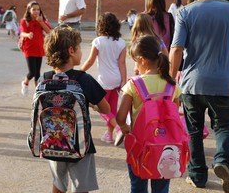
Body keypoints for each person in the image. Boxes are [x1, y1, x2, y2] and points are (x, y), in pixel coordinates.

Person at [169, 0, 229, 192]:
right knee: (224, 126)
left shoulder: (185, 12)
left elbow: (176, 49)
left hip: (192, 84)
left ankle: (197, 175)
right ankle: (223, 161)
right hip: (222, 83)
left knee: (193, 130)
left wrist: (172, 77)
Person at [43, 25, 110, 193]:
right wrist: (93, 105)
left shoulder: (45, 79)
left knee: (58, 183)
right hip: (80, 145)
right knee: (81, 186)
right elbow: (106, 109)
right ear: (71, 51)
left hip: (54, 142)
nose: (82, 51)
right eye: (80, 48)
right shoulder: (84, 79)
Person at [116, 35, 182, 193]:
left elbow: (120, 117)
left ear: (142, 60)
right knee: (161, 188)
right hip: (166, 146)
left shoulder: (133, 85)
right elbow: (175, 116)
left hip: (140, 145)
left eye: (135, 60)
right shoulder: (172, 85)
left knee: (138, 186)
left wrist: (126, 129)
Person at [81, 12, 126, 146]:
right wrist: (124, 80)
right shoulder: (121, 42)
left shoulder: (98, 41)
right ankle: (109, 135)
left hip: (104, 81)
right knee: (111, 108)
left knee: (101, 108)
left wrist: (79, 72)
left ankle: (118, 129)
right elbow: (122, 63)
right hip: (117, 79)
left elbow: (90, 61)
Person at [20, 1, 51, 96]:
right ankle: (25, 82)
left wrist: (41, 21)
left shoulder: (41, 20)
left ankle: (38, 93)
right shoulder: (25, 21)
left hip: (39, 48)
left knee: (37, 72)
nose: (36, 11)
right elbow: (22, 33)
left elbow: (49, 31)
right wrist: (28, 34)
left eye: (38, 9)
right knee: (32, 72)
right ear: (29, 10)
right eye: (34, 9)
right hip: (29, 48)